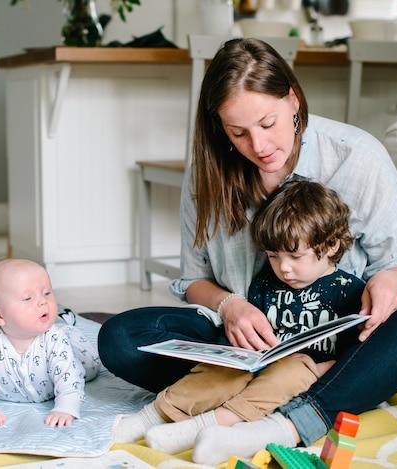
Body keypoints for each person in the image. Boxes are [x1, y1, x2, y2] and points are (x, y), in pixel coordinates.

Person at [98, 37, 397, 466]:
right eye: (238, 133)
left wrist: (388, 281)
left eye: (268, 123)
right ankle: (324, 392)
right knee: (120, 338)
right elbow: (194, 280)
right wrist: (231, 306)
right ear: (220, 128)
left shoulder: (357, 158)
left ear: (292, 99)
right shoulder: (210, 173)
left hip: (333, 352)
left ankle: (283, 424)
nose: (259, 145)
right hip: (240, 352)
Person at [115, 180, 366, 454]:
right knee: (222, 370)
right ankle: (152, 416)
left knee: (291, 373)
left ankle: (207, 426)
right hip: (258, 362)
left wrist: (316, 368)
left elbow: (355, 359)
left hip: (307, 376)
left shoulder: (350, 292)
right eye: (273, 256)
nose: (284, 268)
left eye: (295, 256)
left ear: (331, 245)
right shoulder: (266, 283)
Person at [0, 258, 100, 427]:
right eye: (27, 298)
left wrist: (65, 408)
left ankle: (67, 323)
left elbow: (68, 378)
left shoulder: (54, 339)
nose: (43, 301)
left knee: (90, 366)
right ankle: (64, 319)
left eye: (47, 293)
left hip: (71, 351)